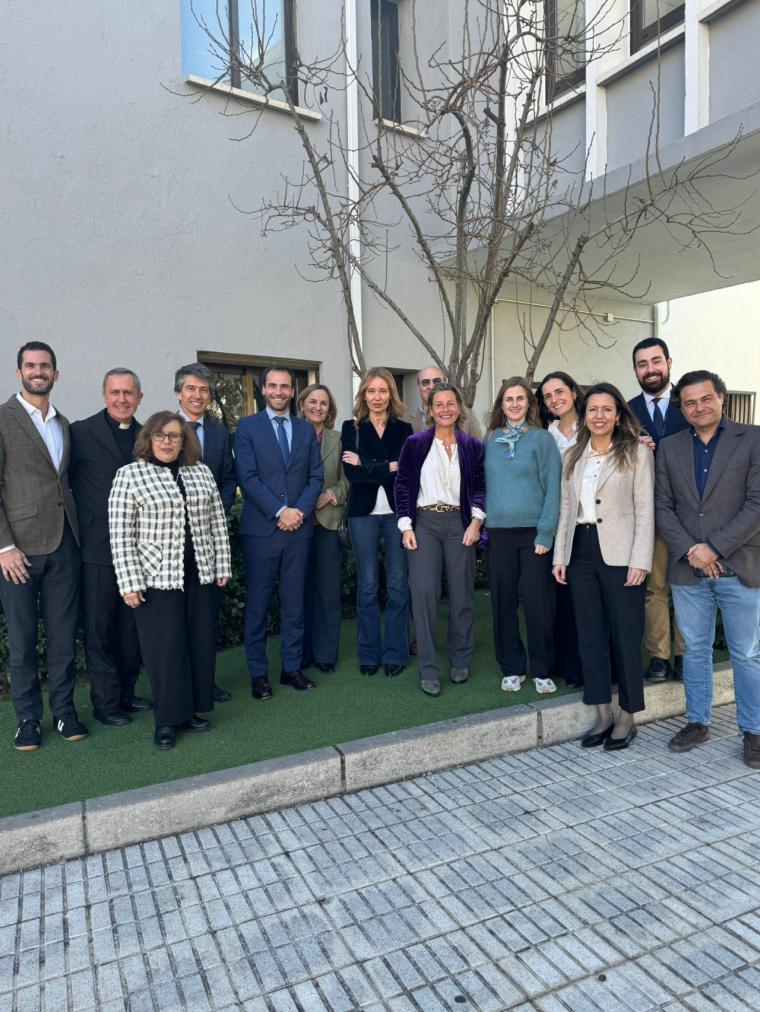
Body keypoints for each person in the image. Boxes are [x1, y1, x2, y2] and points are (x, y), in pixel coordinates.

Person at [655, 369, 760, 769]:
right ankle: (698, 721)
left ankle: (753, 730)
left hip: (741, 565)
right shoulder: (669, 447)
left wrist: (714, 547)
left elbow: (757, 504)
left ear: (722, 399)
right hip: (689, 570)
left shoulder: (753, 439)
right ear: (682, 408)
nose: (698, 407)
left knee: (747, 653)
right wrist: (692, 551)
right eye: (689, 403)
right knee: (695, 649)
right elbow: (663, 506)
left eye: (705, 399)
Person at [108, 412, 231, 749]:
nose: (167, 441)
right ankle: (166, 720)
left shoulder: (201, 472)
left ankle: (191, 711)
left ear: (184, 441)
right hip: (156, 579)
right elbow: (121, 535)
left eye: (174, 436)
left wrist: (222, 565)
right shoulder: (130, 475)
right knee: (165, 651)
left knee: (198, 644)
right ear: (148, 439)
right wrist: (130, 582)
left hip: (201, 574)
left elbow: (217, 522)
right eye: (160, 435)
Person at [553, 383, 654, 750]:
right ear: (584, 414)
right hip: (580, 551)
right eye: (592, 409)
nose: (598, 416)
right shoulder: (573, 457)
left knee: (625, 636)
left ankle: (627, 717)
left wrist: (640, 560)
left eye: (606, 409)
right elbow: (567, 510)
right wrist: (559, 557)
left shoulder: (637, 454)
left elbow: (645, 511)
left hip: (622, 554)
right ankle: (601, 715)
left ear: (617, 414)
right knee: (590, 635)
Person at [0, 342, 87, 751]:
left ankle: (65, 712)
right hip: (18, 552)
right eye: (31, 366)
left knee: (63, 638)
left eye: (45, 366)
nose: (38, 371)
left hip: (64, 546)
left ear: (56, 373)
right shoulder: (3, 419)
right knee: (21, 641)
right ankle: (28, 720)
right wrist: (4, 546)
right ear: (19, 373)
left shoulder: (63, 423)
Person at [69, 368, 152, 727]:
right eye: (115, 392)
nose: (122, 399)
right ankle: (104, 704)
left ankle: (127, 694)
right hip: (97, 549)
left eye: (129, 393)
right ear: (104, 395)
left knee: (131, 629)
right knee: (100, 628)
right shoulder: (81, 432)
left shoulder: (148, 436)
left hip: (138, 549)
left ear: (139, 397)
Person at [235, 366, 323, 699]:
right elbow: (248, 478)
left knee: (295, 603)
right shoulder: (246, 427)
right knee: (258, 604)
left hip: (298, 530)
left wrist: (297, 511)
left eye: (285, 386)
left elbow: (315, 477)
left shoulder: (304, 430)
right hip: (262, 531)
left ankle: (291, 668)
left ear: (292, 390)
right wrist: (279, 511)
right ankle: (258, 675)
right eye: (272, 386)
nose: (278, 391)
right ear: (263, 390)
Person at [395, 383, 486, 696]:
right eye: (439, 404)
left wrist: (477, 522)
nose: (445, 409)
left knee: (462, 594)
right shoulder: (415, 443)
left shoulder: (472, 446)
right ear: (430, 410)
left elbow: (481, 486)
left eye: (451, 403)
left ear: (458, 409)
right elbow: (403, 485)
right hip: (425, 523)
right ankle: (429, 667)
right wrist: (406, 527)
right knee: (424, 594)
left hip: (460, 523)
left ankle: (460, 657)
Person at [485, 377, 562, 695]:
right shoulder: (490, 439)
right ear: (501, 405)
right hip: (499, 532)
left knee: (537, 601)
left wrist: (546, 532)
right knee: (502, 602)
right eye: (508, 399)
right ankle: (512, 667)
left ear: (529, 404)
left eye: (520, 398)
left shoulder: (543, 440)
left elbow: (553, 488)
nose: (514, 404)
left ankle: (542, 668)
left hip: (534, 533)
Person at [341, 367, 413, 676]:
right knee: (367, 586)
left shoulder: (404, 430)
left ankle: (396, 653)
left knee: (398, 584)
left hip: (398, 514)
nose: (377, 397)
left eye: (383, 391)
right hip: (362, 515)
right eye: (371, 391)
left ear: (391, 395)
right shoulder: (351, 428)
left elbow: (407, 469)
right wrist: (389, 465)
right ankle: (369, 654)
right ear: (364, 395)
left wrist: (370, 465)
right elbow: (352, 474)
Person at [628, 337, 689, 683]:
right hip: (649, 512)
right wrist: (631, 445)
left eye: (655, 362)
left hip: (691, 512)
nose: (650, 369)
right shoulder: (629, 408)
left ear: (668, 362)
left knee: (689, 586)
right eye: (642, 364)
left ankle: (686, 653)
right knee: (655, 586)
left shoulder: (690, 401)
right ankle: (660, 656)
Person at [175, 362, 236, 703]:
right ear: (179, 393)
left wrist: (216, 513)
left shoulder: (219, 433)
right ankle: (179, 687)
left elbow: (228, 480)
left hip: (208, 542)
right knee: (175, 620)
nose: (197, 396)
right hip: (170, 542)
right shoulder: (163, 429)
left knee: (205, 619)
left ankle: (205, 686)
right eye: (191, 389)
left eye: (204, 390)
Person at [538, 370, 585, 688]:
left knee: (586, 598)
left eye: (559, 391)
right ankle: (565, 664)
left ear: (573, 391)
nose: (554, 399)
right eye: (547, 396)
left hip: (591, 523)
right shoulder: (546, 435)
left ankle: (588, 664)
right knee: (560, 598)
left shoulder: (593, 424)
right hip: (557, 525)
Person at [297, 383, 348, 673]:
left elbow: (347, 478)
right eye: (313, 401)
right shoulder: (291, 435)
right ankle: (303, 654)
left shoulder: (338, 439)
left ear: (330, 410)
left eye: (324, 403)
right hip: (297, 523)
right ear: (303, 404)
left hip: (328, 521)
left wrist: (331, 495)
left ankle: (326, 655)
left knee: (328, 591)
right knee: (300, 591)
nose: (318, 407)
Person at [409, 365, 483, 438]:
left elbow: (479, 448)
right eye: (425, 382)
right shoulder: (408, 421)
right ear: (418, 386)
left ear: (445, 382)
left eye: (437, 381)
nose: (431, 386)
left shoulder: (468, 417)